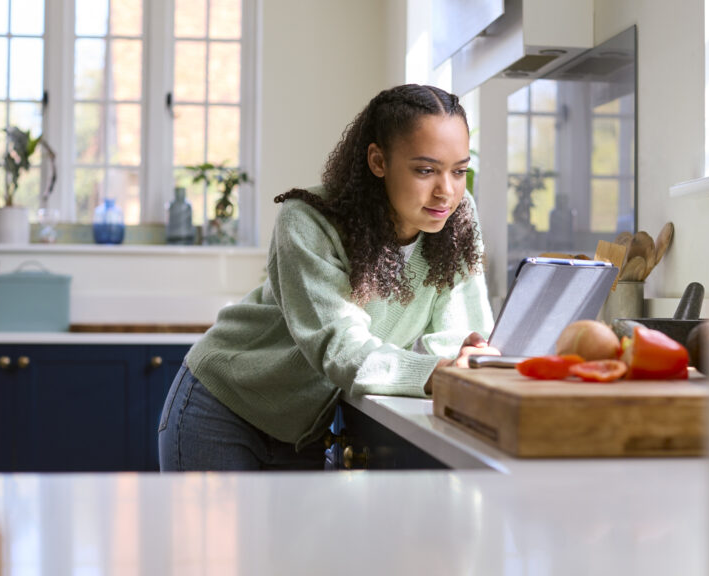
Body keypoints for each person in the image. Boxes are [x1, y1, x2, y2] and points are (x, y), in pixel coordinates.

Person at [158, 84, 500, 471]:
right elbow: (339, 346)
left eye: (459, 171)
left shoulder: (456, 218)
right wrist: (435, 372)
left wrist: (460, 361)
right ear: (378, 160)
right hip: (223, 410)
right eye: (426, 170)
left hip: (303, 431)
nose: (447, 192)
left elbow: (462, 330)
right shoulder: (308, 219)